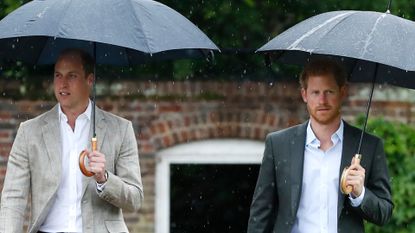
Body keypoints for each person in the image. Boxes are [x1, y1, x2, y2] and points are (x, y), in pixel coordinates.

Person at [0, 48, 143, 233]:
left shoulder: (121, 130)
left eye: (72, 76)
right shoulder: (29, 132)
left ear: (90, 80)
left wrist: (104, 179)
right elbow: (13, 197)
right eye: (58, 75)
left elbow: (135, 199)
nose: (62, 84)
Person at [247, 59, 393, 233]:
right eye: (315, 92)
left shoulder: (369, 146)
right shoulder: (278, 144)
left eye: (329, 91)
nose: (322, 100)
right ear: (304, 95)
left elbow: (384, 212)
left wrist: (359, 193)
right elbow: (260, 213)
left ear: (342, 92)